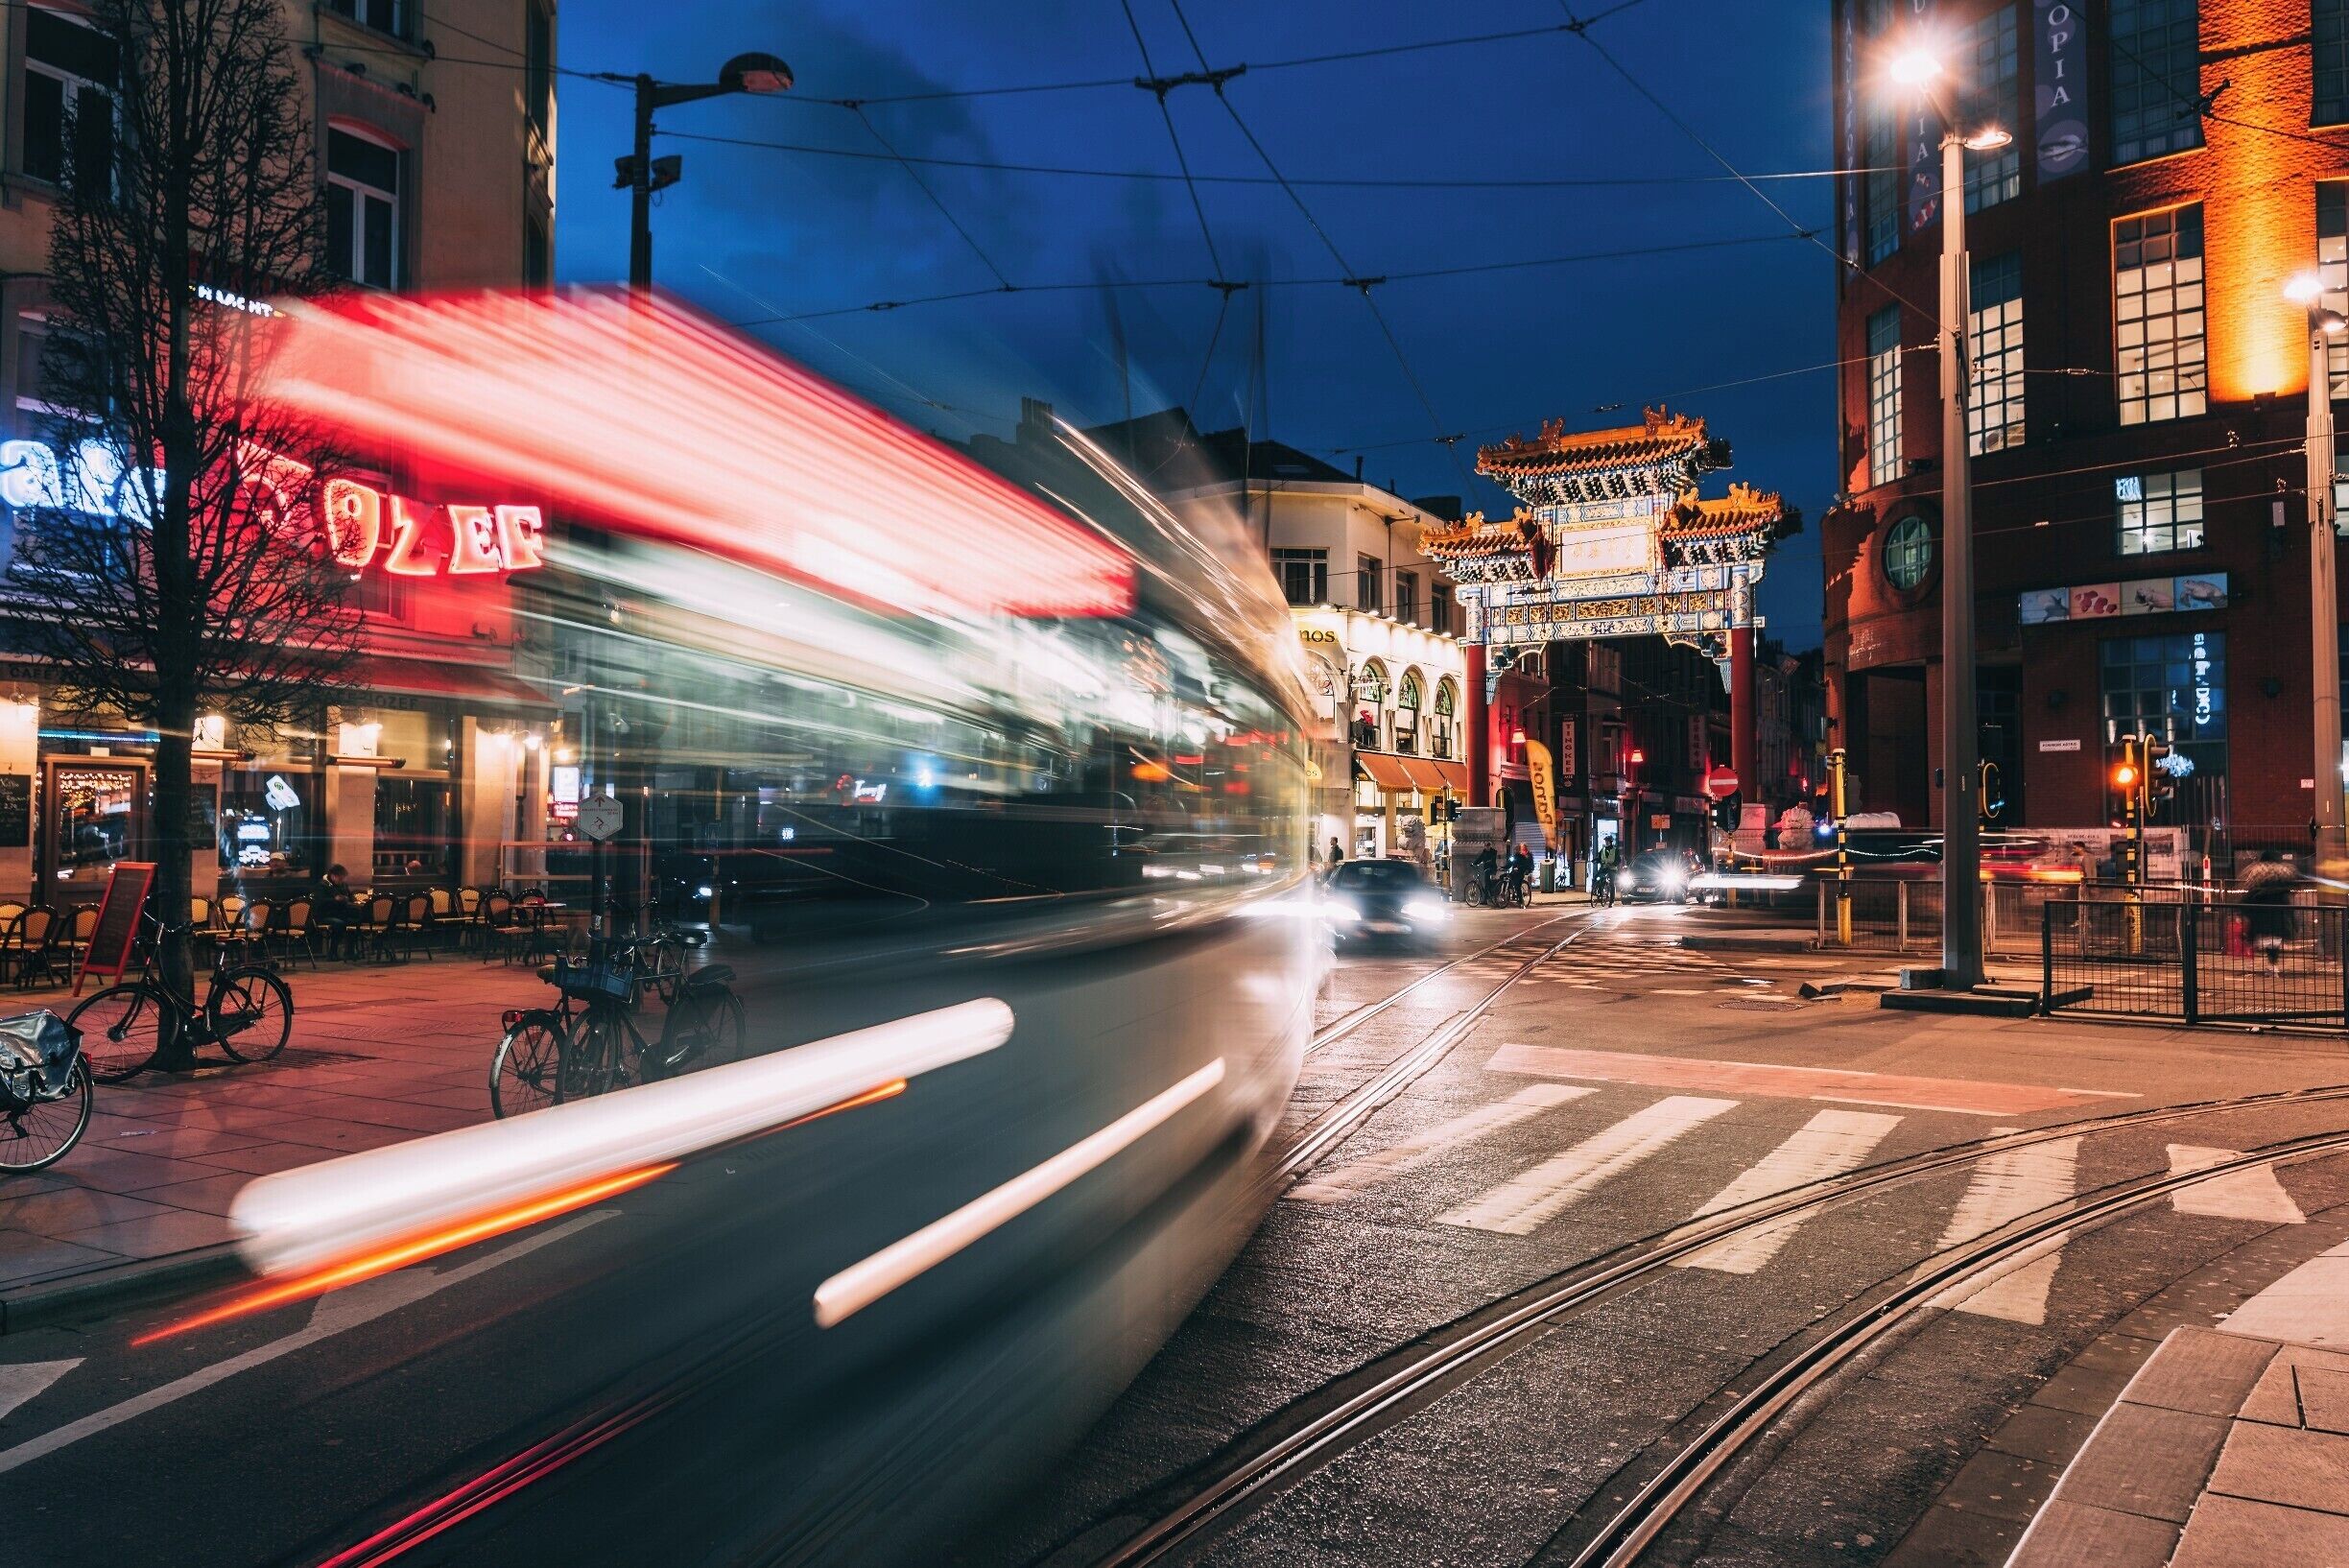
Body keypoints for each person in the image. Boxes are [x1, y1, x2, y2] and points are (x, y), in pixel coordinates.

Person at [2239, 849, 2301, 972]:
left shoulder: (2255, 872)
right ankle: (2273, 964)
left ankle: (2254, 963)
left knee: (2260, 937)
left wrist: (2243, 909)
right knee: (2274, 940)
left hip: (2261, 911)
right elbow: (2292, 888)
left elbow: (2249, 893)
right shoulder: (2285, 872)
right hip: (2279, 912)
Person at [315, 863, 360, 960]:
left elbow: (350, 896)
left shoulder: (343, 885)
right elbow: (320, 903)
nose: (342, 880)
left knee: (355, 922)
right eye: (340, 878)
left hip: (340, 913)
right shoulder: (322, 885)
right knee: (339, 924)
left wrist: (354, 900)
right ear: (333, 876)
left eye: (343, 878)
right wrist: (335, 900)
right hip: (325, 915)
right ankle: (332, 953)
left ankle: (349, 952)